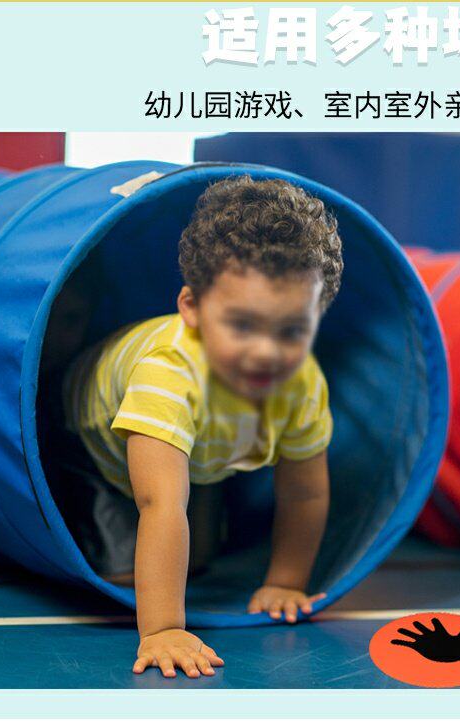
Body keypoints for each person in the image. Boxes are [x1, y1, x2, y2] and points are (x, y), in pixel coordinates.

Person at [51, 176, 343, 678]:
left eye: (292, 330)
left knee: (199, 556)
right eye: (242, 325)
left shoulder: (303, 383)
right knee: (126, 571)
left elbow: (305, 492)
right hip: (92, 443)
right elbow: (158, 504)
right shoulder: (168, 373)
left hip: (203, 448)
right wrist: (163, 629)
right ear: (191, 307)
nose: (266, 352)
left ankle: (205, 490)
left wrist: (285, 582)